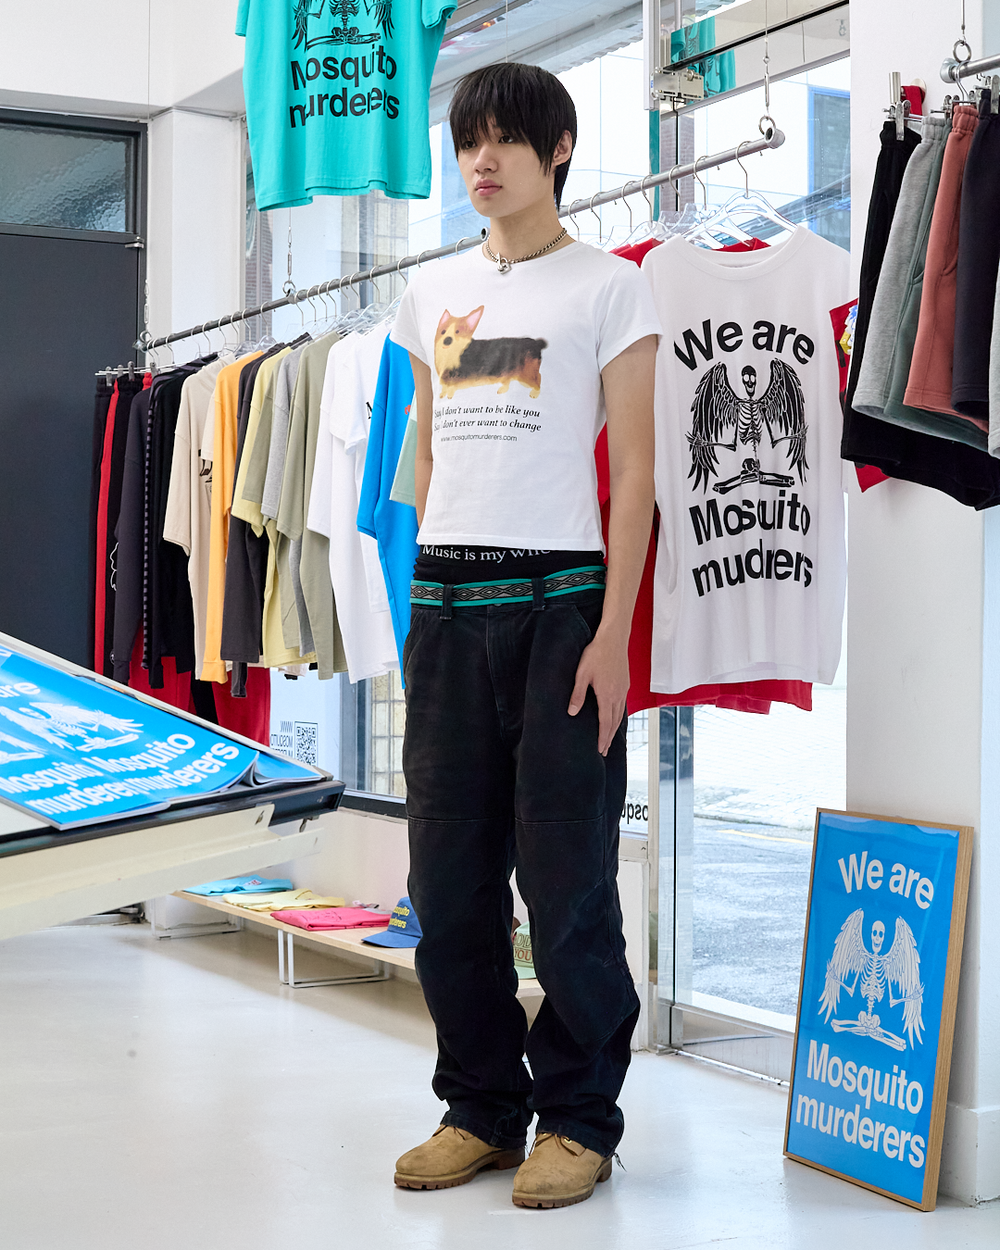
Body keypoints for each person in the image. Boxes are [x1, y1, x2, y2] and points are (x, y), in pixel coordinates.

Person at [389, 61, 660, 1210]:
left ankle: (580, 1118)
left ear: (558, 150)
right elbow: (428, 450)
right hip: (446, 607)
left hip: (561, 605)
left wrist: (612, 635)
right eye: (468, 143)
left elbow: (637, 473)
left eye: (505, 139)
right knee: (447, 884)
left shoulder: (610, 287)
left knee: (567, 882)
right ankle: (481, 1107)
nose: (482, 161)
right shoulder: (431, 293)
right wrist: (412, 602)